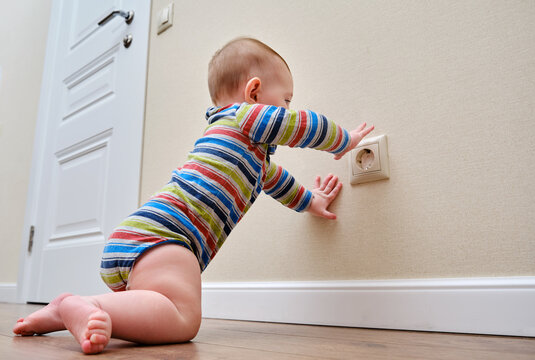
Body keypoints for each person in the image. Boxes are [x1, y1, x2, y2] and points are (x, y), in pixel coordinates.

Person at [13, 37, 374, 354]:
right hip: (167, 237)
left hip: (144, 242)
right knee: (183, 319)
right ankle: (82, 305)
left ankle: (63, 311)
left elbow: (278, 182)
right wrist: (345, 140)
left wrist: (310, 201)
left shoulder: (253, 156)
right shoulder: (241, 117)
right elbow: (300, 126)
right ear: (254, 92)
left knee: (154, 315)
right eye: (285, 100)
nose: (288, 110)